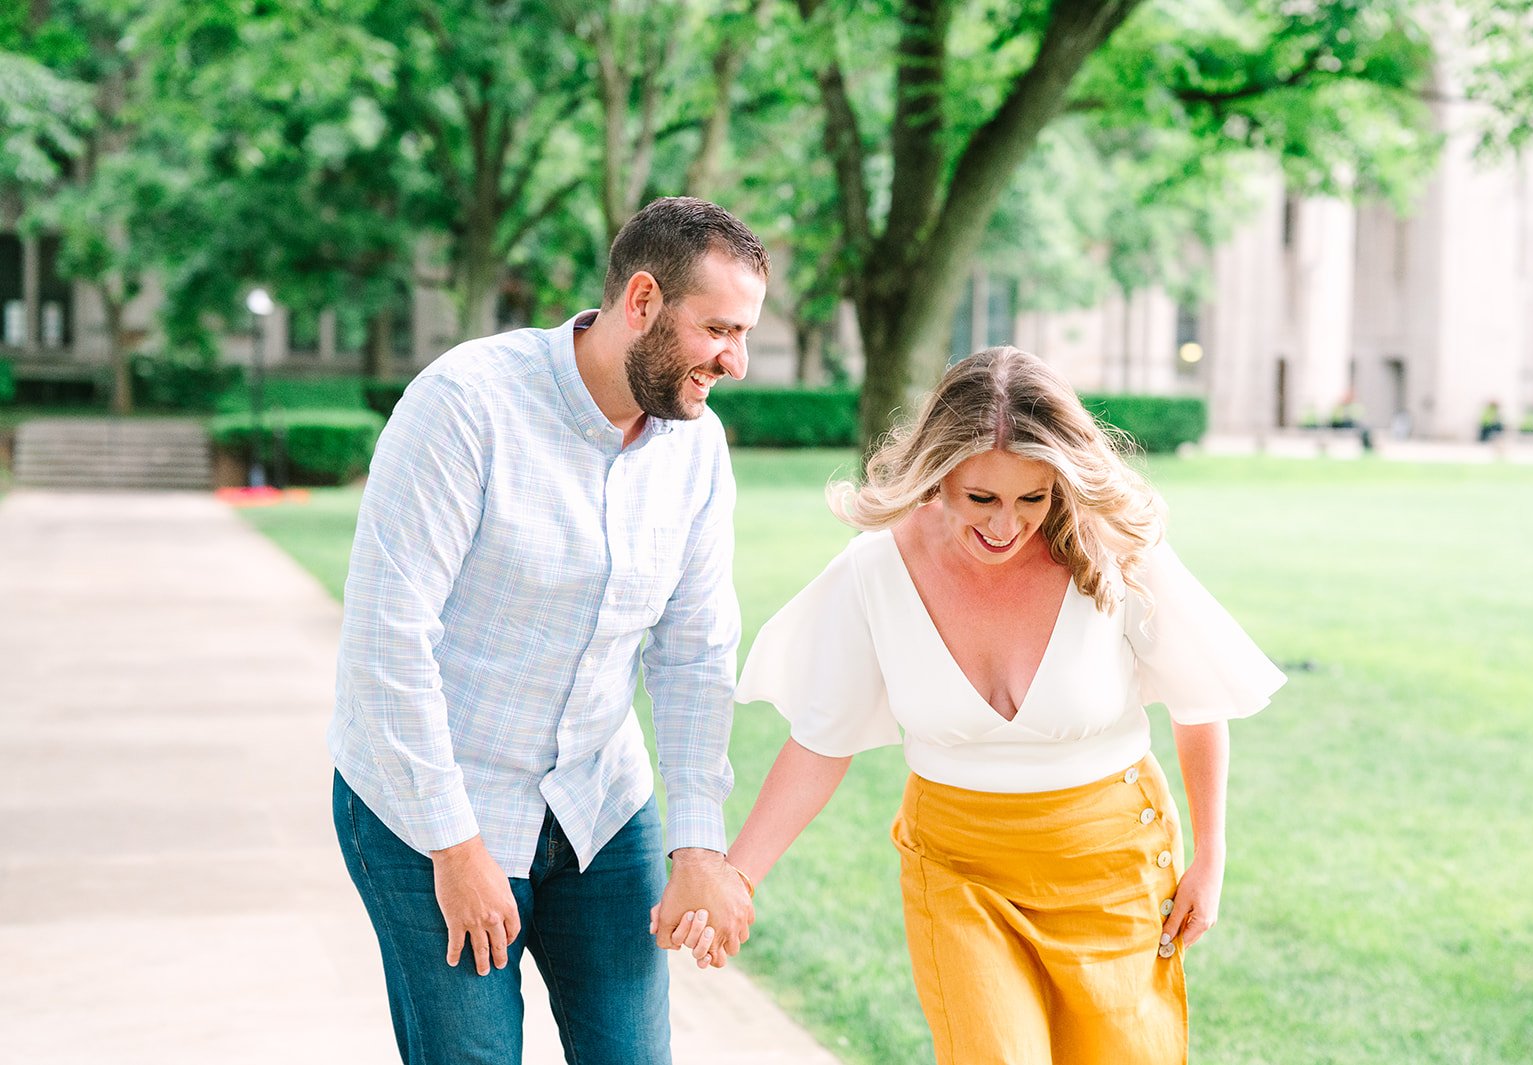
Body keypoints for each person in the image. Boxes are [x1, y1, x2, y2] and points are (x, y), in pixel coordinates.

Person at [682, 347, 1286, 1063]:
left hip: (1111, 865)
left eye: (1033, 499)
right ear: (940, 476)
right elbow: (821, 741)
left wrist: (1211, 857)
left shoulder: (1112, 548)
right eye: (982, 499)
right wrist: (737, 875)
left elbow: (1199, 699)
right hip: (958, 869)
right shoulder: (878, 567)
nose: (1007, 525)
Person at [328, 196, 767, 1065]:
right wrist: (454, 848)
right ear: (641, 301)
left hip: (598, 800)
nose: (737, 360)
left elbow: (695, 649)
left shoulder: (696, 446)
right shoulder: (465, 405)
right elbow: (388, 644)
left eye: (744, 332)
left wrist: (699, 843)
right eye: (718, 328)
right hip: (434, 802)